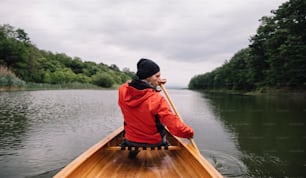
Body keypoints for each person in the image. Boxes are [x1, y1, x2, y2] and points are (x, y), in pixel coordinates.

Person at [118, 58, 194, 158]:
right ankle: (162, 156)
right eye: (157, 76)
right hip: (154, 142)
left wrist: (155, 81)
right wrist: (189, 132)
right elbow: (175, 127)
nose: (159, 78)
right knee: (163, 132)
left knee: (133, 134)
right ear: (148, 78)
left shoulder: (123, 90)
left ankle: (132, 155)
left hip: (130, 140)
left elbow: (130, 83)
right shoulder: (157, 99)